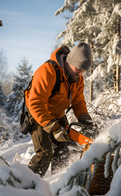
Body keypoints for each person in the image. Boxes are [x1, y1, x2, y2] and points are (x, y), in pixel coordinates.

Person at [25, 42, 93, 177]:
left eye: (83, 70)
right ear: (69, 62)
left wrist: (84, 117)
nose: (80, 73)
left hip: (58, 113)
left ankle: (58, 180)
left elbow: (78, 101)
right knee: (45, 153)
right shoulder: (47, 71)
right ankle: (25, 185)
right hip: (39, 114)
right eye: (78, 69)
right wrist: (54, 128)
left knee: (66, 146)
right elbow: (35, 103)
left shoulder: (77, 78)